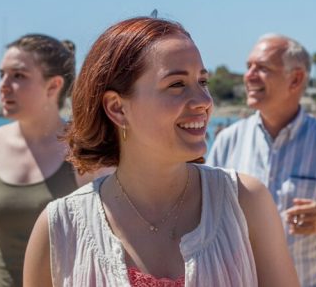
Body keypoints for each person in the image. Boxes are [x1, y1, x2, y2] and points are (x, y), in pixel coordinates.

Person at [23, 17, 298, 287]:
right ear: (117, 108)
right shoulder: (59, 228)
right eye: (177, 84)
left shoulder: (245, 201)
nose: (204, 102)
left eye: (203, 82)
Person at [208, 34, 316, 287]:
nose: (248, 76)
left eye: (261, 68)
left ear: (295, 79)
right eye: (248, 66)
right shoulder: (227, 141)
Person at [0, 34, 90, 287]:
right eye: (1, 74)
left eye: (18, 76)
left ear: (53, 86)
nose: (3, 85)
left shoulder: (82, 150)